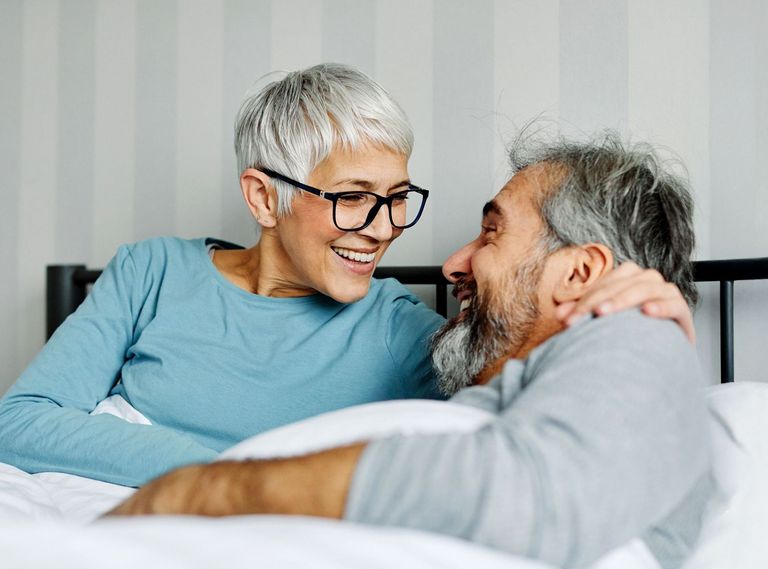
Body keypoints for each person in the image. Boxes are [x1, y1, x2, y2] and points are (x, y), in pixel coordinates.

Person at [0, 63, 691, 489]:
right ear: (265, 197)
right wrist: (224, 473)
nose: (385, 226)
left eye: (397, 198)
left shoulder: (407, 333)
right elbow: (19, 420)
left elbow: (528, 413)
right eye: (354, 196)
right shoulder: (150, 272)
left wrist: (646, 332)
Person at [109, 134, 711, 569]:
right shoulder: (529, 379)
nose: (453, 265)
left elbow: (533, 497)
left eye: (492, 233)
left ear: (580, 271)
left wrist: (198, 492)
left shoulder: (636, 334)